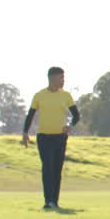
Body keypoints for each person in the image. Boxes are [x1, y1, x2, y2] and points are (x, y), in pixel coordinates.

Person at [20, 66, 80, 210]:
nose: (63, 81)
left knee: (57, 170)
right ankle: (48, 201)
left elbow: (76, 116)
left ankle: (54, 201)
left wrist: (70, 126)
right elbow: (30, 115)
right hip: (44, 138)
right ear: (52, 78)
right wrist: (25, 132)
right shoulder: (39, 95)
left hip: (60, 137)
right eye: (61, 78)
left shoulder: (66, 95)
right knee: (47, 168)